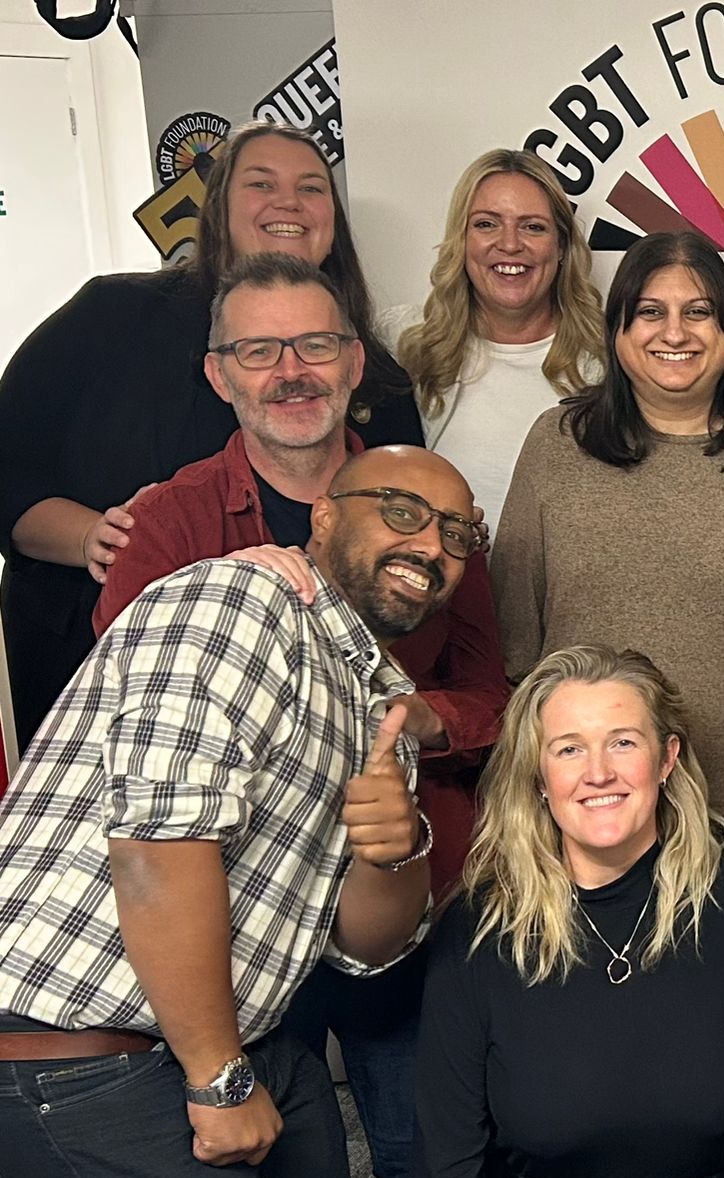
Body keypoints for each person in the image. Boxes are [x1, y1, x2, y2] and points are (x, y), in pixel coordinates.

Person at [88, 252, 511, 1178]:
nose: (292, 369)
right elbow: (133, 728)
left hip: (400, 893)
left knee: (418, 1153)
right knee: (256, 1160)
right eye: (259, 348)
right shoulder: (169, 523)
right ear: (219, 373)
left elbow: (495, 692)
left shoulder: (433, 505)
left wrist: (409, 721)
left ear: (355, 361)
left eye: (315, 344)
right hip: (225, 913)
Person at [0, 446, 476, 1178]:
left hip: (248, 1042)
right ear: (324, 514)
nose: (432, 545)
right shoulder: (241, 601)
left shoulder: (383, 700)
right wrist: (218, 1079)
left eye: (459, 534)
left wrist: (393, 851)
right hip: (91, 1058)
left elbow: (364, 948)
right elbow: (159, 844)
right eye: (402, 511)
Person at [0, 120, 423, 743]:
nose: (289, 202)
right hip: (97, 668)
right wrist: (90, 535)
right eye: (261, 184)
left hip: (304, 704)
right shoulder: (109, 317)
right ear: (218, 210)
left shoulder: (375, 378)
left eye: (312, 188)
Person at [411, 644, 724, 1178]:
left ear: (666, 760)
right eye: (569, 749)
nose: (598, 773)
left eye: (622, 742)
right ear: (537, 776)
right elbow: (444, 1156)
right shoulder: (480, 926)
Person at [493, 230, 724, 837]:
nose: (674, 333)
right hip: (585, 806)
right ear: (617, 330)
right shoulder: (556, 445)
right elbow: (515, 632)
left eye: (698, 312)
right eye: (650, 312)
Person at [390, 148, 606, 527]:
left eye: (533, 226)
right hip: (446, 583)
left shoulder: (609, 361)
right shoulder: (407, 346)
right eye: (487, 224)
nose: (509, 244)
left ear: (561, 247)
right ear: (462, 240)